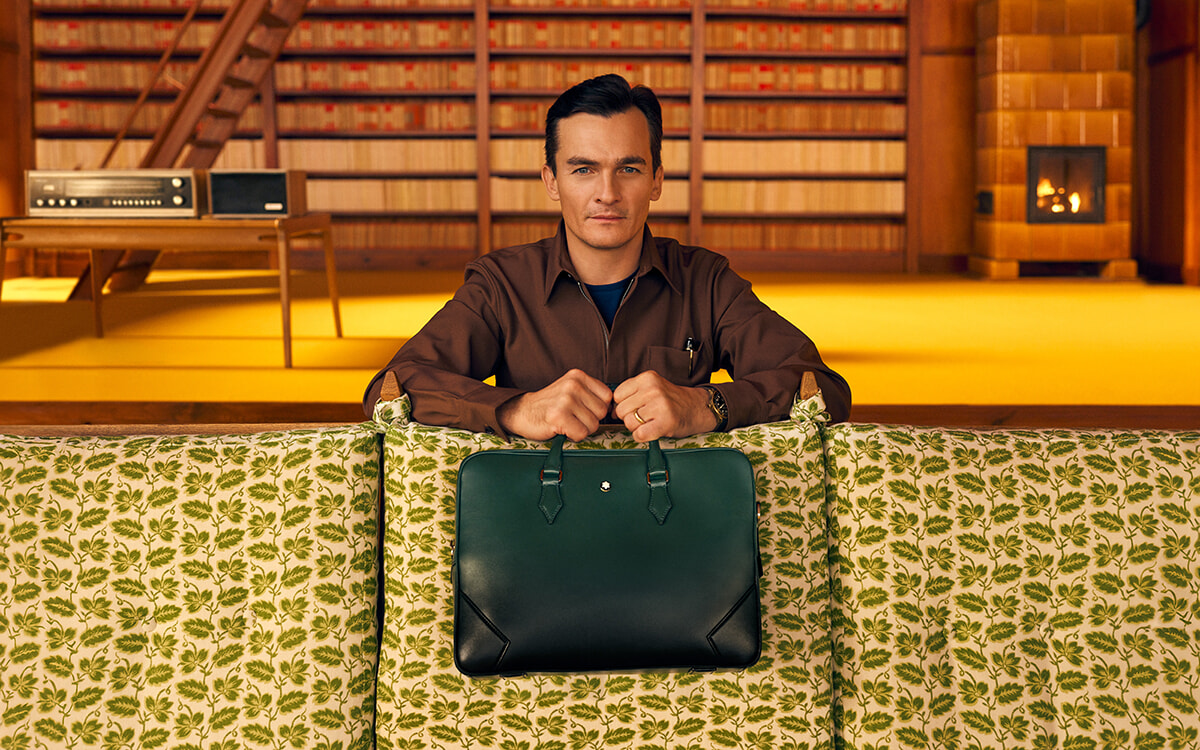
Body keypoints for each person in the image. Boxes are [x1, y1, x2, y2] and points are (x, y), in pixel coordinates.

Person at [363, 73, 850, 442]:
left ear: (656, 180)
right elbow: (392, 388)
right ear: (552, 181)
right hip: (535, 519)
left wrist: (708, 405)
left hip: (678, 520)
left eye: (629, 169)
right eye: (583, 169)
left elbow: (823, 388)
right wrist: (516, 409)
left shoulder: (706, 281)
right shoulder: (501, 284)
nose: (608, 193)